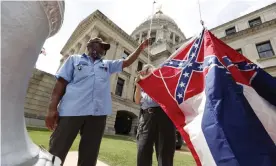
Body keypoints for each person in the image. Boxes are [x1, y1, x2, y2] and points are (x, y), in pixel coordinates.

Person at [45, 37, 149, 166]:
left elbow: (127, 62)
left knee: (89, 155)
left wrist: (141, 48)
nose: (103, 50)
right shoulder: (74, 60)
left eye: (105, 49)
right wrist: (52, 109)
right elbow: (60, 85)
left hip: (97, 114)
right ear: (91, 46)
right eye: (101, 46)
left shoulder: (107, 64)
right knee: (57, 150)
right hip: (71, 111)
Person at [134, 65, 176, 166]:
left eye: (154, 72)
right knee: (143, 149)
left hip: (165, 117)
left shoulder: (164, 82)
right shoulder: (143, 86)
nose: (152, 74)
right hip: (147, 117)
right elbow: (137, 100)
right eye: (148, 72)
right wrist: (138, 85)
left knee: (165, 153)